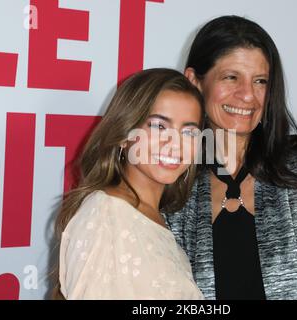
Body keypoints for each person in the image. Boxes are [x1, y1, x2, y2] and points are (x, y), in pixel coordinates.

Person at [164, 16, 297, 300]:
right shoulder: (172, 179)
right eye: (231, 77)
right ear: (195, 81)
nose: (248, 96)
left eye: (260, 81)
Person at [54, 68, 205, 299]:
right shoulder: (106, 214)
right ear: (124, 134)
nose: (176, 144)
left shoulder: (153, 217)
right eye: (158, 126)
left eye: (189, 132)